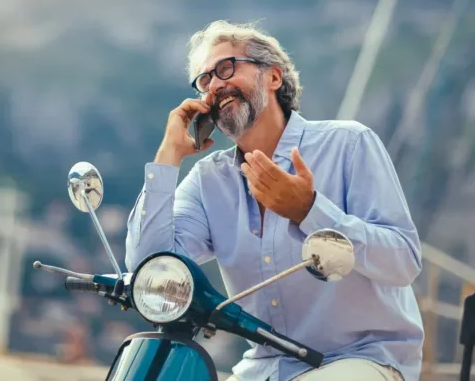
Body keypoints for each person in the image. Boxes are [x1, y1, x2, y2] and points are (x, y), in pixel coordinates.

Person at [124, 20, 424, 381]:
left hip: (363, 359)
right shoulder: (208, 180)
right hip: (264, 368)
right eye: (205, 80)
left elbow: (404, 260)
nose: (215, 85)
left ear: (274, 78)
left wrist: (310, 211)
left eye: (225, 68)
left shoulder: (349, 144)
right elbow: (148, 270)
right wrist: (167, 155)